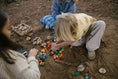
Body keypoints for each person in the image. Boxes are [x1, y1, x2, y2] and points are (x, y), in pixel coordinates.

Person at [0, 10, 41, 79]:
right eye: (7, 29)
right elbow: (34, 77)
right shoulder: (10, 58)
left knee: (18, 49)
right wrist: (31, 57)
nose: (10, 32)